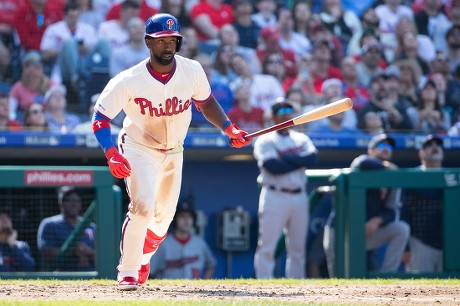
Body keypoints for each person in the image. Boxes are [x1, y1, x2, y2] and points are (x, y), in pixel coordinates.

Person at [90, 13, 251, 290]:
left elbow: (207, 103)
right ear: (148, 43)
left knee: (162, 221)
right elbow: (100, 118)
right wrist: (110, 153)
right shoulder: (129, 79)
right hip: (139, 147)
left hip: (174, 150)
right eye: (161, 40)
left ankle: (143, 260)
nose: (167, 46)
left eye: (172, 40)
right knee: (142, 207)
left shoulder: (192, 70)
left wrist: (229, 128)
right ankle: (127, 271)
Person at [253, 99, 318, 279]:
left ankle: (296, 284)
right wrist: (298, 160)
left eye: (288, 110)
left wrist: (286, 160)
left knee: (298, 248)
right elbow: (273, 166)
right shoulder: (265, 139)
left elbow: (312, 159)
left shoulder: (301, 138)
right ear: (273, 116)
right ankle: (263, 286)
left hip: (298, 195)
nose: (285, 114)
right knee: (267, 246)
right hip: (275, 194)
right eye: (280, 111)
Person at [349, 134, 410, 273]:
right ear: (370, 151)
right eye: (381, 145)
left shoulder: (392, 176)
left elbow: (392, 211)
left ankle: (388, 276)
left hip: (369, 231)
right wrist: (387, 166)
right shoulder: (362, 163)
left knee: (401, 228)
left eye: (389, 146)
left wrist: (377, 220)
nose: (386, 149)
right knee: (341, 276)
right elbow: (362, 162)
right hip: (344, 232)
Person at [401, 135, 444, 273]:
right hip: (420, 243)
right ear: (421, 153)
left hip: (450, 243)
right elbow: (404, 214)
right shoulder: (413, 177)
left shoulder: (451, 176)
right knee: (418, 290)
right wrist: (405, 247)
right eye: (429, 146)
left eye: (438, 145)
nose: (435, 148)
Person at [149, 199, 217, 279]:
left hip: (195, 289)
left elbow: (211, 264)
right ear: (174, 220)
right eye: (182, 216)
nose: (186, 220)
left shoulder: (200, 243)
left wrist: (205, 283)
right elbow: (151, 272)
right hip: (169, 289)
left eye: (189, 217)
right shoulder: (163, 244)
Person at [37, 186, 96, 272]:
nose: (74, 204)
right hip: (62, 278)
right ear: (61, 202)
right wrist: (73, 250)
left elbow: (104, 256)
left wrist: (89, 252)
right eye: (69, 200)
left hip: (92, 276)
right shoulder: (50, 224)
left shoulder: (91, 226)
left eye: (77, 200)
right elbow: (45, 251)